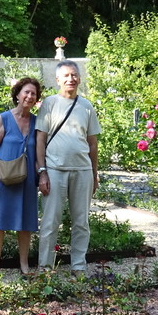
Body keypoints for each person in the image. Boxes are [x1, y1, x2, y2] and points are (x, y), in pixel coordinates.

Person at [35, 61, 101, 272]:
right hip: (54, 170)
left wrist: (94, 173)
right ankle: (45, 267)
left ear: (79, 78)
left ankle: (78, 267)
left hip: (82, 171)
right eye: (66, 76)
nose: (70, 79)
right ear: (57, 80)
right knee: (49, 222)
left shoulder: (86, 106)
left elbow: (92, 143)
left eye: (74, 75)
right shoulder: (50, 103)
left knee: (81, 222)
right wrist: (42, 171)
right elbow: (40, 140)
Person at [0, 77, 42, 275]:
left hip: (27, 181)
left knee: (25, 224)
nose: (29, 96)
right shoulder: (4, 118)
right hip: (2, 179)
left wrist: (41, 175)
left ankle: (24, 265)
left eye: (33, 93)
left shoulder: (37, 122)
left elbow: (38, 153)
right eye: (26, 92)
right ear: (17, 94)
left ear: (36, 99)